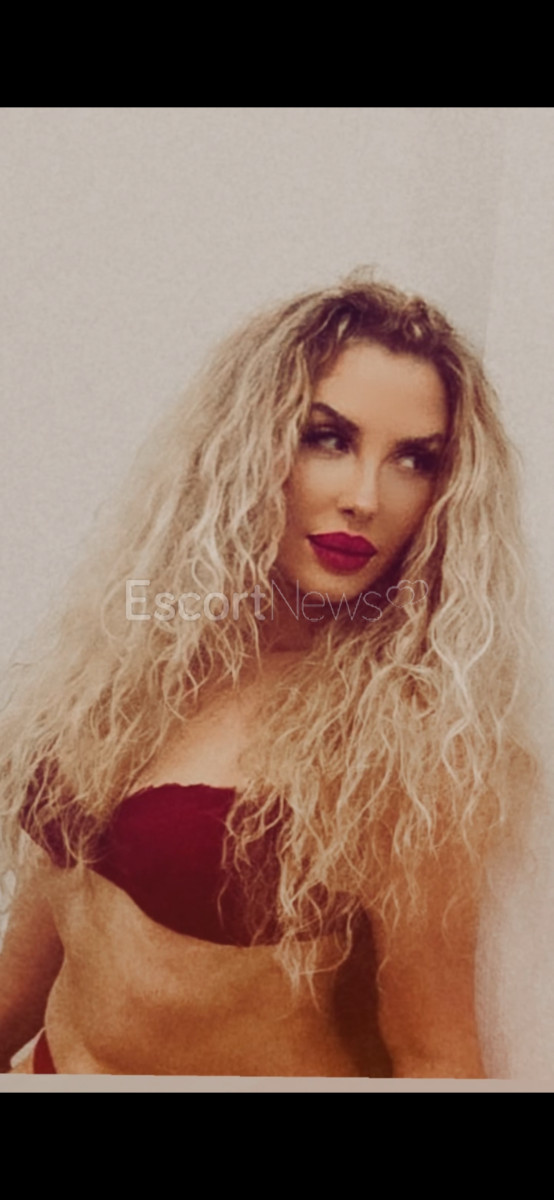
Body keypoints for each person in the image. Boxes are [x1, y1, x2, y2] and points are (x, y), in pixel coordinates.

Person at [0, 273, 541, 1077]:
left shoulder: (412, 742)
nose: (364, 497)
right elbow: (23, 982)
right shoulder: (126, 665)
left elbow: (436, 1056)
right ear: (250, 444)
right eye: (328, 438)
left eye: (413, 459)